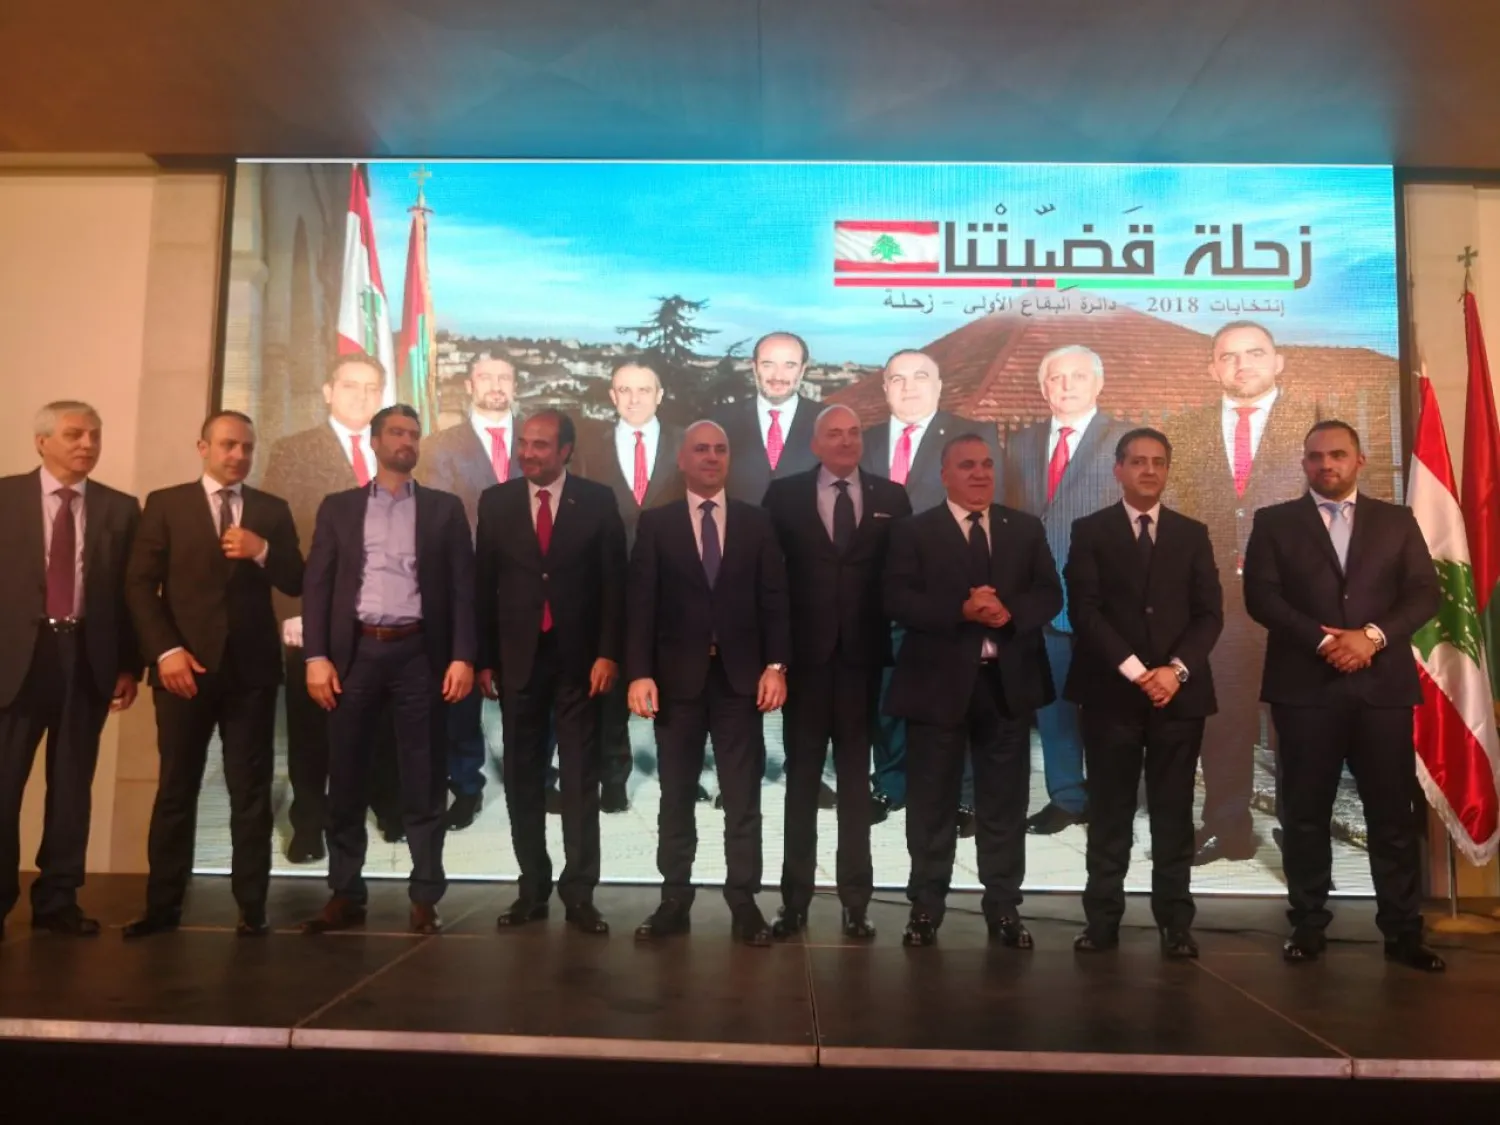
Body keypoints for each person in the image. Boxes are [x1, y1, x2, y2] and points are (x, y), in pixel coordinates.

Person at [1243, 420, 1444, 972]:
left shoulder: (1397, 521)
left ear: (1361, 460)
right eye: (1314, 456)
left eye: (1336, 454)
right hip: (1305, 690)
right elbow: (1261, 597)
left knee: (1391, 817)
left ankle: (1403, 933)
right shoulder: (1274, 522)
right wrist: (1325, 640)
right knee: (1304, 815)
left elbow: (1425, 592)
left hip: (1381, 689)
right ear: (1302, 464)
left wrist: (1371, 638)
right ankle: (1308, 926)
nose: (1325, 464)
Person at [123, 411, 303, 938]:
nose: (238, 456)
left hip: (250, 674)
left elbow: (297, 578)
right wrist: (165, 652)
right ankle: (162, 908)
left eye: (247, 447)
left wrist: (262, 550)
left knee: (251, 791)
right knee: (177, 789)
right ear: (202, 446)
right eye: (227, 445)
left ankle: (252, 908)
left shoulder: (271, 509)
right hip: (184, 672)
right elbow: (138, 587)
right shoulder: (166, 504)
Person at [298, 405, 476, 936]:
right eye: (397, 433)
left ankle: (425, 897)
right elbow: (318, 586)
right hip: (355, 656)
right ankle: (345, 893)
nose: (407, 442)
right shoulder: (339, 508)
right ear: (374, 441)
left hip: (419, 654)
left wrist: (463, 655)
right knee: (347, 773)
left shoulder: (444, 510)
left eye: (414, 435)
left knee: (423, 778)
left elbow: (464, 590)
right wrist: (316, 656)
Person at [883, 433, 1061, 947]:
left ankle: (1004, 909)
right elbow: (895, 597)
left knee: (1003, 806)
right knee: (932, 805)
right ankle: (926, 909)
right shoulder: (914, 532)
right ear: (944, 474)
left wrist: (1010, 614)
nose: (980, 474)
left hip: (1005, 688)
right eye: (967, 466)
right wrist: (960, 610)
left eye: (986, 465)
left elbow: (1048, 592)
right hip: (936, 687)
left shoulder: (1024, 529)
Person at [627, 420, 791, 945]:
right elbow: (641, 607)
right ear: (682, 459)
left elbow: (775, 599)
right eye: (701, 449)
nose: (711, 457)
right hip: (676, 682)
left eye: (721, 449)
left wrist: (776, 665)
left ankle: (744, 903)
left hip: (740, 680)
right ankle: (675, 898)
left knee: (742, 797)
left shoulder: (756, 522)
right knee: (675, 795)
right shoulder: (655, 525)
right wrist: (639, 672)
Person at [1064, 428, 1223, 959]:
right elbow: (1085, 612)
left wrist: (1174, 671)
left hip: (1179, 696)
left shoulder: (1193, 533)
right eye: (1137, 462)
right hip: (1111, 695)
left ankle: (1176, 923)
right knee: (1109, 813)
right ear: (1118, 470)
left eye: (1158, 462)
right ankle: (1102, 921)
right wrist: (1138, 672)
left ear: (1168, 470)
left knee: (1174, 814)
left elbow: (1209, 614)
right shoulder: (1089, 531)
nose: (1148, 470)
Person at [1165, 322, 1320, 865]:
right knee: (1221, 717)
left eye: (1255, 353)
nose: (1242, 365)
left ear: (1279, 361)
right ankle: (1226, 826)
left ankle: (1301, 831)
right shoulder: (1183, 433)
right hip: (1219, 607)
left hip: (1299, 606)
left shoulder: (1317, 427)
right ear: (1213, 368)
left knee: (1297, 721)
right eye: (1228, 356)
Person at [762, 405, 910, 940]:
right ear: (816, 442)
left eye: (854, 433)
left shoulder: (892, 498)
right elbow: (769, 582)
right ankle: (794, 901)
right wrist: (774, 658)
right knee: (800, 783)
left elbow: (903, 576)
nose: (846, 442)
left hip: (863, 663)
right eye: (834, 434)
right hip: (802, 662)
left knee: (855, 785)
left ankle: (855, 902)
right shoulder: (782, 496)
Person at [476, 411, 626, 935]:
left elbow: (614, 586)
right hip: (517, 661)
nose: (528, 453)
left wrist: (609, 653)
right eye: (524, 443)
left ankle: (579, 893)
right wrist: (484, 658)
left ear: (565, 451)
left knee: (582, 779)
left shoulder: (598, 500)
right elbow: (483, 586)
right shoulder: (495, 503)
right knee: (522, 779)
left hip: (580, 664)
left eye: (541, 445)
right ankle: (532, 888)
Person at [0, 402, 141, 941]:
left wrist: (129, 665)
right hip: (16, 660)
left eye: (94, 435)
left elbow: (129, 596)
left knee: (71, 786)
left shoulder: (120, 509)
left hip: (85, 656)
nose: (86, 444)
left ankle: (58, 899)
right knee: (5, 783)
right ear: (42, 442)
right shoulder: (6, 497)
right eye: (74, 434)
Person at [260, 351, 400, 860]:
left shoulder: (400, 450)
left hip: (387, 615)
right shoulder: (292, 451)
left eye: (370, 388)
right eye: (350, 386)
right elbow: (280, 536)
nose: (360, 396)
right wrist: (291, 609)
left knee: (384, 718)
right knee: (311, 726)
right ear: (327, 391)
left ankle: (388, 805)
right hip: (314, 614)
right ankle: (309, 823)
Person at [859, 349, 1001, 829]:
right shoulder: (866, 440)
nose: (909, 386)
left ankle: (963, 797)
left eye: (921, 377)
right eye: (897, 378)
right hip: (881, 594)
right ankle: (891, 784)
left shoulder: (973, 437)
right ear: (884, 387)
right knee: (887, 695)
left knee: (956, 695)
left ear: (940, 385)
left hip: (951, 596)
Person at [1002, 345, 1125, 836]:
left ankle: (1112, 802)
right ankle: (1068, 797)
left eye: (1078, 376)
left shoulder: (1123, 440)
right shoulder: (1022, 445)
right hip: (1043, 599)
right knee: (1053, 709)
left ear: (1098, 383)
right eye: (1056, 378)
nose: (1067, 385)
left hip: (1104, 600)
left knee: (1110, 709)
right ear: (1043, 388)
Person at [574, 356, 687, 810]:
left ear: (660, 395)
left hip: (677, 582)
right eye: (625, 390)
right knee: (610, 685)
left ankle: (681, 771)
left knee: (680, 680)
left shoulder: (686, 443)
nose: (635, 399)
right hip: (607, 584)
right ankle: (614, 776)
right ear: (612, 396)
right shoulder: (588, 448)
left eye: (644, 390)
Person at [418, 355, 524, 830]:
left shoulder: (538, 441)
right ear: (470, 384)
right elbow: (439, 519)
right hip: (466, 584)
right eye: (487, 377)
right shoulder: (439, 446)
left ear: (516, 386)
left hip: (530, 585)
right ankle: (465, 785)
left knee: (534, 681)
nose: (496, 386)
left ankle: (535, 778)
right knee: (461, 692)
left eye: (505, 378)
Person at [714, 332, 819, 504]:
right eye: (768, 364)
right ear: (754, 367)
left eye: (789, 365)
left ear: (802, 370)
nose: (778, 376)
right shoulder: (721, 421)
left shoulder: (828, 422)